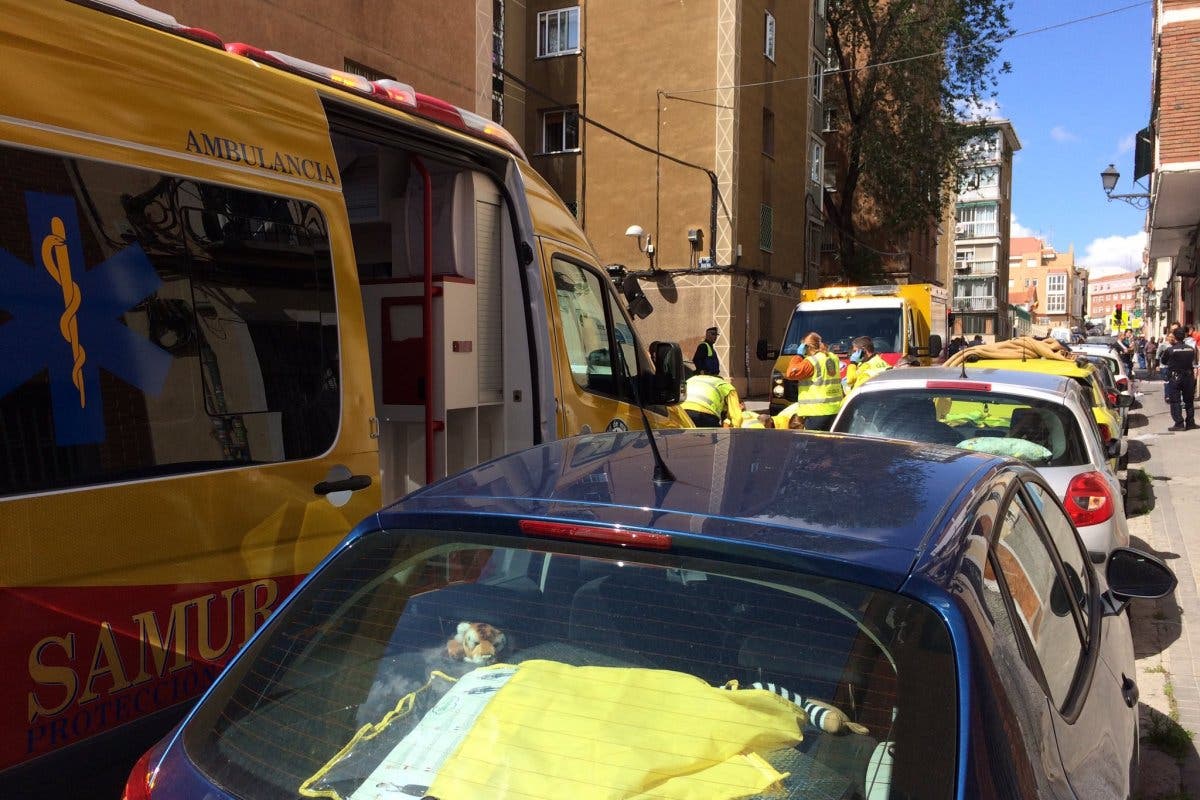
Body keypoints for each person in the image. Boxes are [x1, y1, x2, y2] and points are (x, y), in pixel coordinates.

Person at [774, 332, 844, 431]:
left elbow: (791, 373)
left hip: (817, 412)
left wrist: (798, 355)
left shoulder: (812, 361)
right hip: (835, 410)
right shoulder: (833, 357)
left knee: (812, 445)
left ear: (807, 346)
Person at [1161, 329, 1197, 431]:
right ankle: (1190, 422)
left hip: (1175, 377)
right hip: (1188, 376)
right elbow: (1193, 360)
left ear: (1175, 338)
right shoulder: (1191, 349)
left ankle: (1179, 423)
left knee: (1175, 401)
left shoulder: (1170, 350)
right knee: (1189, 400)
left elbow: (1164, 361)